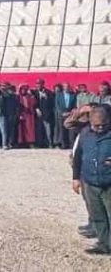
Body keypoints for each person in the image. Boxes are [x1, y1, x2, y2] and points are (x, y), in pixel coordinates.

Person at [70, 104, 111, 255]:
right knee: (97, 215)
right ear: (90, 122)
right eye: (96, 125)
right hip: (90, 182)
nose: (100, 128)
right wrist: (75, 178)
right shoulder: (85, 133)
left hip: (109, 182)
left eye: (103, 125)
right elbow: (78, 156)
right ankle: (104, 244)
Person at [54, 83, 76, 149]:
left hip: (70, 115)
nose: (67, 88)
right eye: (65, 87)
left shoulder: (73, 95)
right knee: (62, 130)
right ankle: (64, 145)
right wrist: (61, 113)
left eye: (68, 87)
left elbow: (74, 106)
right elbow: (57, 106)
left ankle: (71, 145)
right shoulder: (59, 95)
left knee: (71, 130)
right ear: (63, 87)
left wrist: (70, 112)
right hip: (61, 115)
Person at [35, 80, 55, 148]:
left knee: (48, 130)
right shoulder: (34, 92)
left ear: (43, 84)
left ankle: (50, 143)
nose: (38, 85)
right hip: (38, 114)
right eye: (37, 84)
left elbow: (52, 103)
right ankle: (40, 144)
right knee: (39, 130)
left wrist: (46, 97)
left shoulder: (49, 92)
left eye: (39, 84)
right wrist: (36, 109)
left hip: (47, 114)